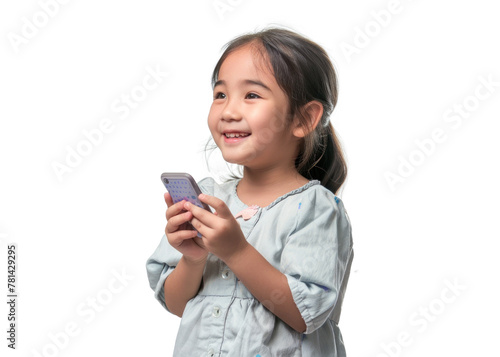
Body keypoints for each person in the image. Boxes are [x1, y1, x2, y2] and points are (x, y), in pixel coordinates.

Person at [146, 27, 354, 356]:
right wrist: (193, 257)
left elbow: (306, 314)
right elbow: (176, 304)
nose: (228, 111)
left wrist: (237, 252)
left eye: (252, 95)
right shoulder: (208, 199)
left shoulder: (316, 208)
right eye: (220, 94)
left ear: (303, 118)